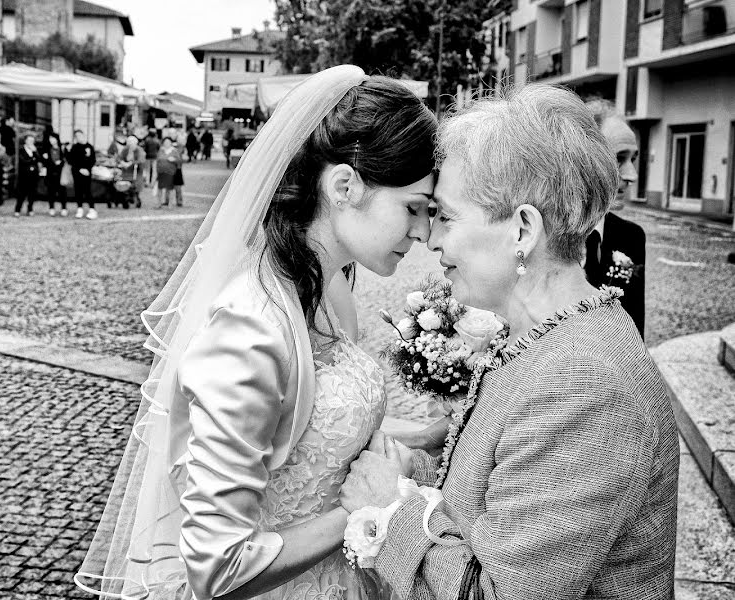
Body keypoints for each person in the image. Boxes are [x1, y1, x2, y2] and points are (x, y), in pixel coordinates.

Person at [74, 66, 439, 600]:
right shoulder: (249, 329)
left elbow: (317, 436)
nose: (422, 232)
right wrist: (355, 512)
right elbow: (216, 569)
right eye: (413, 208)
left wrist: (423, 437)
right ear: (344, 185)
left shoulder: (329, 292)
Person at [340, 85, 678, 600]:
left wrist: (391, 507)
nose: (430, 239)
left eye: (446, 216)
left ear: (523, 229)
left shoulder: (584, 383)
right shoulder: (548, 335)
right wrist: (423, 468)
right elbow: (500, 487)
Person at [583, 99, 646, 337]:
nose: (632, 175)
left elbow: (635, 327)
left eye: (634, 159)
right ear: (584, 159)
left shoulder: (632, 237)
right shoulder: (544, 234)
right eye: (619, 159)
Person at [67, 129, 97, 219]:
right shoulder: (74, 147)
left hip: (87, 172)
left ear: (83, 135)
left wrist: (87, 169)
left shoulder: (89, 147)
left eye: (80, 135)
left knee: (87, 190)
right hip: (77, 172)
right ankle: (79, 208)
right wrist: (79, 169)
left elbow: (92, 160)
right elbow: (71, 160)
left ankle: (92, 209)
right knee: (78, 190)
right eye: (77, 136)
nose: (79, 138)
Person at [107, 127, 134, 209]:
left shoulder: (127, 144)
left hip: (126, 167)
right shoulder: (114, 144)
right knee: (116, 181)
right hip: (117, 166)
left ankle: (127, 197)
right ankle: (117, 198)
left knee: (126, 182)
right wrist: (115, 158)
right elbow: (110, 153)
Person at [14, 134, 40, 217]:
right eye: (29, 140)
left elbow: (39, 160)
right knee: (21, 194)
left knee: (32, 194)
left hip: (33, 176)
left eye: (32, 141)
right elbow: (23, 161)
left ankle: (30, 209)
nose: (31, 142)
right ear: (25, 141)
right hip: (23, 176)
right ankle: (18, 209)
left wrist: (35, 152)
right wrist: (32, 159)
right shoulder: (21, 150)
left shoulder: (35, 150)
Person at [42, 132, 67, 216]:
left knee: (62, 191)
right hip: (50, 173)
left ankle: (64, 208)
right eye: (50, 139)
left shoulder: (62, 148)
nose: (51, 140)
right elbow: (44, 161)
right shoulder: (47, 149)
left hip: (61, 173)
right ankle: (51, 208)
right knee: (51, 191)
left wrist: (61, 162)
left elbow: (66, 159)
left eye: (53, 138)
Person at [154, 137, 181, 208]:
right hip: (161, 172)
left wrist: (174, 160)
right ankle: (158, 203)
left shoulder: (174, 151)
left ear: (171, 143)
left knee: (170, 189)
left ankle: (170, 203)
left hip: (170, 172)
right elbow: (157, 160)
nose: (166, 144)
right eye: (165, 142)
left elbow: (179, 161)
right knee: (160, 188)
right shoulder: (161, 150)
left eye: (168, 142)